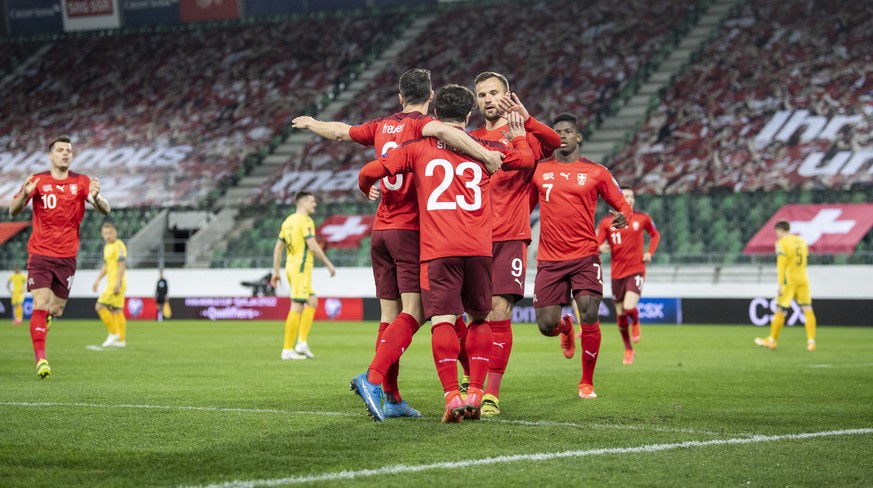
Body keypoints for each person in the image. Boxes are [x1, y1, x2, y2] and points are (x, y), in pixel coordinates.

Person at [292, 68, 502, 417]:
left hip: (382, 230)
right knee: (426, 313)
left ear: (400, 97)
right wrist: (486, 155)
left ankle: (392, 397)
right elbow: (443, 130)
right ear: (430, 98)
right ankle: (381, 381)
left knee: (391, 316)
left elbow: (342, 133)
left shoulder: (380, 125)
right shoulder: (423, 129)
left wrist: (313, 123)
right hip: (416, 232)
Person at [354, 84, 533, 423]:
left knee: (442, 321)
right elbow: (525, 160)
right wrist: (519, 135)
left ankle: (452, 395)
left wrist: (368, 188)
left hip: (438, 249)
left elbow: (368, 172)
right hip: (480, 247)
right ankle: (477, 392)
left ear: (435, 115)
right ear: (469, 115)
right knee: (480, 319)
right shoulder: (487, 145)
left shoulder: (416, 148)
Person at [465, 71, 561, 417]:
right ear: (475, 102)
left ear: (507, 96)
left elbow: (554, 143)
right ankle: (471, 379)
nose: (488, 99)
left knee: (499, 312)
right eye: (482, 95)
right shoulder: (469, 138)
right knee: (474, 315)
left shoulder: (523, 135)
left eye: (494, 93)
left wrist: (527, 117)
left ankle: (490, 393)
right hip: (472, 237)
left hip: (509, 236)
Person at [531, 113, 631, 399]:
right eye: (557, 131)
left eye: (567, 131)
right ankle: (565, 327)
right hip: (549, 259)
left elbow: (622, 203)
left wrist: (624, 216)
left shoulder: (597, 171)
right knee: (545, 325)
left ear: (578, 137)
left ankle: (586, 382)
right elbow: (522, 206)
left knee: (589, 311)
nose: (561, 135)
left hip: (585, 256)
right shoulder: (538, 171)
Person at [8, 135, 110, 378]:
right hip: (40, 253)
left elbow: (106, 209)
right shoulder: (38, 181)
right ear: (50, 155)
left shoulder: (81, 182)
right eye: (61, 150)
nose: (66, 153)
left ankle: (47, 319)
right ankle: (41, 359)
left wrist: (97, 197)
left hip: (67, 258)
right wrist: (25, 195)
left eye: (69, 151)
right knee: (40, 304)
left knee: (57, 308)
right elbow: (12, 211)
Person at [596, 187, 660, 364]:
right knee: (620, 312)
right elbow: (595, 244)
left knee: (629, 306)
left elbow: (655, 235)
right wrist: (599, 248)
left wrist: (650, 253)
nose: (630, 199)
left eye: (632, 196)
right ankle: (628, 349)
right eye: (626, 196)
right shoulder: (606, 222)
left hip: (636, 269)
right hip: (617, 273)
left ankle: (636, 321)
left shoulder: (642, 218)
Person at [270, 191, 336, 360]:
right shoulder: (305, 221)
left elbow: (278, 247)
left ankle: (302, 343)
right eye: (312, 202)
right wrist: (329, 265)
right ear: (303, 203)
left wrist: (276, 271)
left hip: (291, 267)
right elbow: (313, 246)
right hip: (300, 268)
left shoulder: (288, 221)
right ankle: (287, 349)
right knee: (297, 306)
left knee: (312, 301)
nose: (314, 205)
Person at [755, 220, 817, 352]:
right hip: (803, 278)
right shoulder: (801, 241)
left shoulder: (782, 243)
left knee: (780, 309)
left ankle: (771, 340)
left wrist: (780, 284)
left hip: (790, 280)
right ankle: (811, 342)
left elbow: (781, 265)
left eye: (777, 232)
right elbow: (805, 258)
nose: (777, 235)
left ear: (780, 230)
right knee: (807, 309)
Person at [92, 222, 128, 348]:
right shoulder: (107, 247)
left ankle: (113, 333)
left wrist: (118, 282)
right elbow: (106, 266)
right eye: (105, 233)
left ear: (115, 233)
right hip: (112, 283)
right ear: (102, 234)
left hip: (116, 283)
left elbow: (122, 265)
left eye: (110, 233)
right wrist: (97, 280)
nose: (108, 236)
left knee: (99, 306)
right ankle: (121, 340)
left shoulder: (119, 246)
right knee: (117, 310)